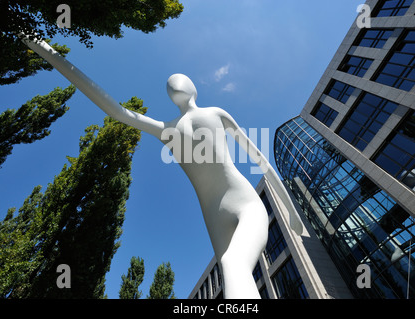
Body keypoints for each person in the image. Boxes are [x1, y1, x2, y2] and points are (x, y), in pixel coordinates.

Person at [20, 35, 303, 299]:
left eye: (179, 81)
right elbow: (116, 111)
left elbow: (258, 158)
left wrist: (289, 208)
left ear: (193, 88)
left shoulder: (215, 113)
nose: (173, 85)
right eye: (169, 85)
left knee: (233, 263)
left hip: (246, 203)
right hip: (212, 215)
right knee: (236, 277)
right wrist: (46, 51)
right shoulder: (165, 129)